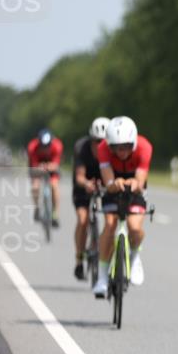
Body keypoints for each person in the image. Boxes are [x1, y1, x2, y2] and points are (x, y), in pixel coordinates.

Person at [92, 116, 152, 297]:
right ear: (109, 145)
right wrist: (113, 183)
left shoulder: (144, 147)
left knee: (135, 228)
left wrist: (134, 183)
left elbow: (140, 180)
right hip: (113, 187)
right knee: (110, 226)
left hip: (135, 188)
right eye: (117, 148)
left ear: (133, 143)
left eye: (126, 147)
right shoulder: (103, 148)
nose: (122, 152)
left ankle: (134, 258)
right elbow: (107, 180)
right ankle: (102, 277)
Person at [72, 117, 110, 280]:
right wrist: (87, 183)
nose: (99, 145)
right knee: (83, 219)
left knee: (110, 219)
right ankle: (79, 259)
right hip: (84, 186)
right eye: (96, 141)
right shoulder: (82, 148)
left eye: (103, 142)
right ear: (91, 140)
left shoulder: (113, 150)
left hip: (105, 184)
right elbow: (79, 176)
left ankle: (100, 250)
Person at [27, 128, 64, 227]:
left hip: (51, 167)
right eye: (43, 146)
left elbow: (56, 164)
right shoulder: (32, 147)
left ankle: (55, 213)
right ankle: (37, 208)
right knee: (35, 187)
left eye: (47, 146)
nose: (45, 148)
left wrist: (48, 167)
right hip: (37, 166)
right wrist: (40, 168)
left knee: (54, 186)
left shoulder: (57, 145)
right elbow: (34, 166)